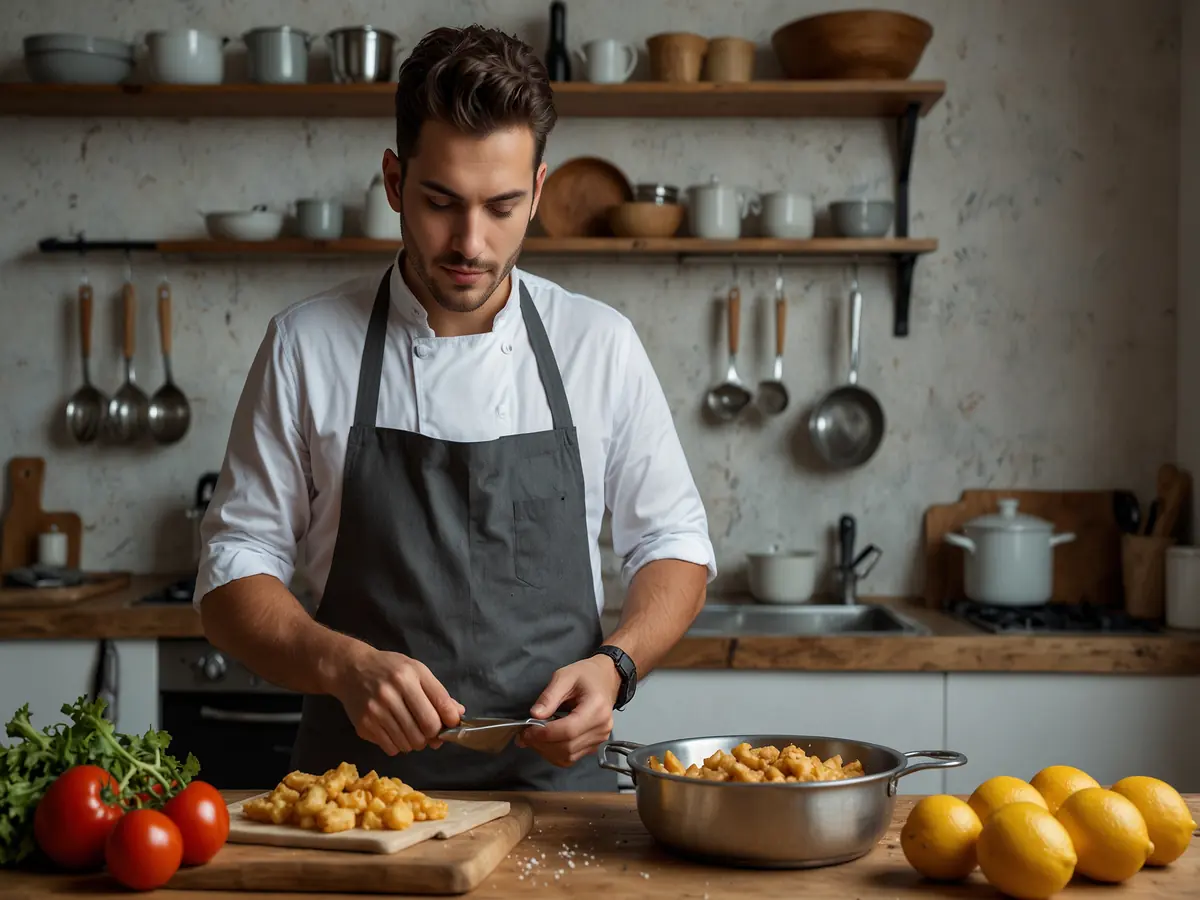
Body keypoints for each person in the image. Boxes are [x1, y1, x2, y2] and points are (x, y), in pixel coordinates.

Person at [193, 23, 715, 792]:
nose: (471, 242)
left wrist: (617, 665)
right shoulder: (305, 345)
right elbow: (231, 572)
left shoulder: (598, 344)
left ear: (538, 192)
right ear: (394, 181)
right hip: (355, 798)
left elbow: (674, 542)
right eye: (441, 202)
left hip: (557, 800)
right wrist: (342, 663)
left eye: (502, 206)